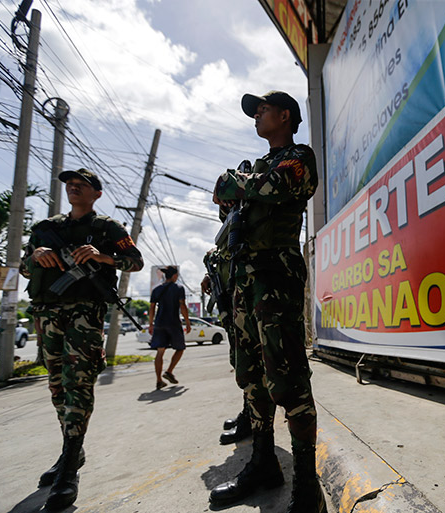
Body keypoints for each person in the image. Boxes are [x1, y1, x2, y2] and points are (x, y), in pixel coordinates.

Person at [208, 90, 326, 512]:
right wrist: (229, 200)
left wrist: (236, 185)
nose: (256, 115)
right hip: (244, 277)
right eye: (254, 111)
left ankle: (307, 485)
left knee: (289, 378)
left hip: (276, 276)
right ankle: (262, 460)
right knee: (252, 375)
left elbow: (278, 187)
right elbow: (235, 212)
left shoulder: (299, 156)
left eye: (263, 109)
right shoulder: (256, 167)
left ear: (286, 115)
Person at [20, 168, 143, 510]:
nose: (73, 187)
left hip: (84, 314)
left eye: (82, 184)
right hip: (47, 312)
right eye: (69, 184)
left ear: (96, 194)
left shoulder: (106, 228)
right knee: (57, 385)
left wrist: (103, 256)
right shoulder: (47, 229)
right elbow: (24, 268)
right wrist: (35, 256)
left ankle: (68, 469)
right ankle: (71, 449)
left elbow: (135, 262)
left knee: (78, 383)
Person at [201, 246, 251, 445]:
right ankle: (249, 413)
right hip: (230, 301)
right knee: (239, 360)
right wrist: (210, 274)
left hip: (246, 297)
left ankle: (253, 420)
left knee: (249, 364)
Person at [149, 265, 191, 389]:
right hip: (173, 323)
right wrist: (187, 322)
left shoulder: (156, 290)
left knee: (160, 352)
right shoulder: (178, 288)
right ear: (174, 276)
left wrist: (151, 324)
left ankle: (158, 380)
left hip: (160, 324)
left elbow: (151, 308)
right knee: (180, 348)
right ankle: (169, 371)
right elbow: (182, 306)